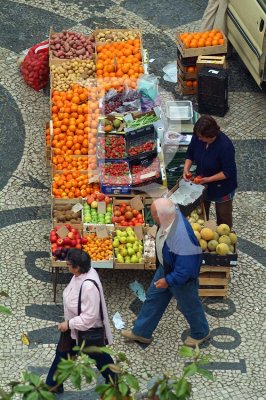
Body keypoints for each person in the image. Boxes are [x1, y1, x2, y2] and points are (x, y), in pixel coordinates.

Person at [121, 198, 210, 347]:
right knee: (153, 299)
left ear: (162, 216)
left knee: (189, 306)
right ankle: (141, 332)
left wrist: (168, 281)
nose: (151, 217)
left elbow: (186, 270)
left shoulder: (183, 238)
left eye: (153, 215)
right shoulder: (169, 218)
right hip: (167, 267)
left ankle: (201, 333)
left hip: (181, 278)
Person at [46, 249, 116, 393]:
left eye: (69, 264)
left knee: (100, 357)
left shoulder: (89, 286)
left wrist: (69, 324)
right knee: (63, 353)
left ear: (77, 267)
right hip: (74, 328)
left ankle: (116, 384)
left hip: (87, 331)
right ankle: (53, 384)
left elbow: (89, 317)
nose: (67, 266)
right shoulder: (80, 275)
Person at [183, 115, 237, 228]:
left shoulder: (225, 146)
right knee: (201, 212)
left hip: (222, 187)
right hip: (202, 184)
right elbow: (190, 154)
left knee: (223, 217)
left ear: (210, 136)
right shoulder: (198, 137)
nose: (198, 139)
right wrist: (186, 169)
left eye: (201, 137)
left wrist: (208, 179)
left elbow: (227, 172)